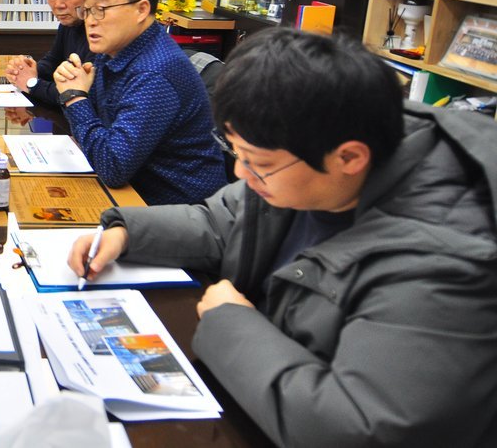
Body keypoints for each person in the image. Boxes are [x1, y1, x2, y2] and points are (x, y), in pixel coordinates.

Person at [69, 29, 497, 447]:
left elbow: (356, 427)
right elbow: (223, 222)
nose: (241, 173)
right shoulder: (307, 151)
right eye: (237, 154)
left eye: (258, 163)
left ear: (349, 157)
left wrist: (229, 323)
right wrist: (128, 232)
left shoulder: (443, 265)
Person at [53, 0, 226, 205]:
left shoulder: (154, 72)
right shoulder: (114, 52)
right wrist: (79, 90)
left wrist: (75, 97)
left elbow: (112, 167)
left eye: (101, 8)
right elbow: (100, 133)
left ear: (141, 10)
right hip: (135, 193)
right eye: (87, 10)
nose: (90, 20)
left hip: (177, 210)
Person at [5, 0, 96, 107]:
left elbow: (78, 93)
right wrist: (27, 71)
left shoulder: (100, 32)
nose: (58, 5)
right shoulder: (69, 22)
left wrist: (32, 83)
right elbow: (53, 60)